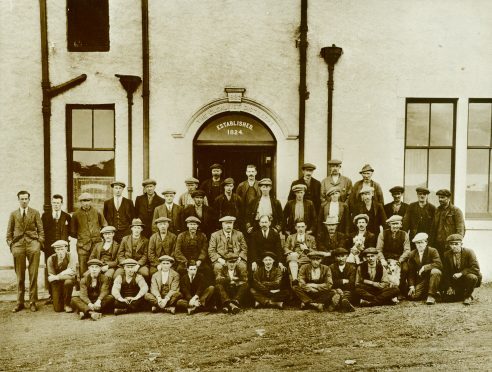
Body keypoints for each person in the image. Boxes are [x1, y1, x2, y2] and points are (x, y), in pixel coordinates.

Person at [7, 190, 45, 312]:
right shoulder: (13, 214)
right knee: (20, 275)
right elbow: (9, 233)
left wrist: (39, 243)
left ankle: (33, 301)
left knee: (33, 274)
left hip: (33, 245)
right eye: (22, 199)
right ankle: (20, 302)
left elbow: (41, 230)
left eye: (26, 199)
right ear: (18, 200)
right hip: (18, 246)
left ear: (29, 199)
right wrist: (11, 245)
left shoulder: (35, 213)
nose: (24, 201)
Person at [41, 194, 71, 304]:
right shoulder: (45, 216)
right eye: (54, 203)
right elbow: (41, 231)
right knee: (50, 270)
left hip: (63, 248)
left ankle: (63, 295)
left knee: (63, 269)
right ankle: (51, 295)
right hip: (49, 248)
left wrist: (67, 244)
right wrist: (43, 246)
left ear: (61, 203)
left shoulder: (67, 216)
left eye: (58, 203)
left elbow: (71, 232)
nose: (56, 205)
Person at [70, 192, 106, 277]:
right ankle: (84, 287)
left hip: (96, 244)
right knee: (83, 267)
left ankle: (96, 286)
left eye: (88, 200)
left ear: (91, 201)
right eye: (83, 201)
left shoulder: (97, 212)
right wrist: (82, 237)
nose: (86, 203)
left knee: (96, 265)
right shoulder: (76, 215)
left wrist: (98, 236)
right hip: (82, 246)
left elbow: (104, 225)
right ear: (80, 202)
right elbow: (72, 232)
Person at [442, 234, 481, 305]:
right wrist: (449, 286)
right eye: (451, 244)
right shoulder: (446, 254)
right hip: (455, 281)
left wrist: (461, 273)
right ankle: (461, 293)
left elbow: (475, 268)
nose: (454, 246)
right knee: (446, 299)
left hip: (466, 278)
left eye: (456, 244)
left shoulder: (469, 252)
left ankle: (467, 296)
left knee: (472, 277)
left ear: (461, 244)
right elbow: (446, 272)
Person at [376, 215, 411, 295]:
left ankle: (400, 290)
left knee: (405, 269)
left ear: (400, 225)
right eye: (393, 224)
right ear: (389, 225)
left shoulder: (404, 234)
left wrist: (400, 260)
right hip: (386, 258)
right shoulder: (382, 234)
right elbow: (379, 249)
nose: (395, 226)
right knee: (379, 268)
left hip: (399, 259)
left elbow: (407, 250)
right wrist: (382, 260)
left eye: (397, 224)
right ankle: (382, 290)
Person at [407, 233, 442, 305]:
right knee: (413, 296)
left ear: (426, 242)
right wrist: (411, 286)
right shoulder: (412, 254)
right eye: (417, 243)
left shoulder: (432, 251)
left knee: (435, 271)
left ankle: (431, 295)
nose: (419, 245)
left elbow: (439, 264)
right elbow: (411, 272)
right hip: (422, 279)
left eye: (421, 242)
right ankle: (430, 292)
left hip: (432, 277)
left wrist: (425, 267)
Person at [431, 189, 465, 259]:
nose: (440, 199)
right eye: (439, 197)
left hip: (449, 246)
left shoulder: (456, 211)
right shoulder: (437, 210)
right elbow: (433, 228)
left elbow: (460, 230)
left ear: (449, 198)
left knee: (450, 267)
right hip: (437, 245)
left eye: (442, 197)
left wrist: (454, 245)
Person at [284, 219, 318, 285]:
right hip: (294, 255)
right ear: (295, 228)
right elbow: (285, 248)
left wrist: (306, 249)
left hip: (306, 256)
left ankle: (297, 280)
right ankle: (295, 280)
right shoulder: (290, 237)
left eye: (302, 227)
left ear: (305, 227)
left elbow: (315, 251)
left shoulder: (311, 238)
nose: (301, 229)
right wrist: (291, 252)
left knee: (294, 261)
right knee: (292, 258)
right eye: (299, 227)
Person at [46, 240, 76, 312]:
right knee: (58, 309)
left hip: (67, 280)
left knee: (68, 282)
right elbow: (51, 277)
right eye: (58, 249)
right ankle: (58, 299)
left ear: (66, 249)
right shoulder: (50, 259)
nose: (60, 251)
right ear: (55, 250)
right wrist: (63, 274)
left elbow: (72, 274)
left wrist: (57, 277)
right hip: (56, 282)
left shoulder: (70, 256)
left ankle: (67, 304)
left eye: (62, 249)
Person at [328, 248, 356, 312]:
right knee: (332, 293)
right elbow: (330, 282)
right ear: (335, 257)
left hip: (347, 290)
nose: (341, 259)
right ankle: (343, 303)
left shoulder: (352, 268)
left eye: (343, 256)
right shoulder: (331, 267)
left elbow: (351, 283)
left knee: (349, 294)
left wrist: (341, 290)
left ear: (347, 256)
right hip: (335, 290)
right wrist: (342, 281)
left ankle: (340, 303)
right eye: (338, 256)